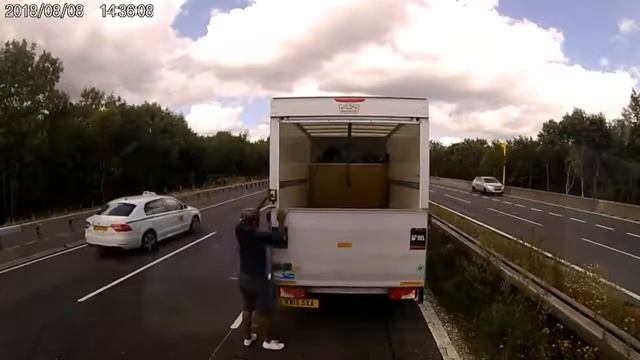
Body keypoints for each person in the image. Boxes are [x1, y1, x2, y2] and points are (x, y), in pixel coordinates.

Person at [235, 196, 288, 351]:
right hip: (258, 278)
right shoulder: (258, 236)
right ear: (254, 222)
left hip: (244, 277)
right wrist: (281, 220)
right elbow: (280, 237)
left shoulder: (239, 229)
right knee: (266, 311)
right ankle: (268, 340)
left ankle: (247, 338)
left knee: (247, 308)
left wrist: (265, 199)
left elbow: (251, 214)